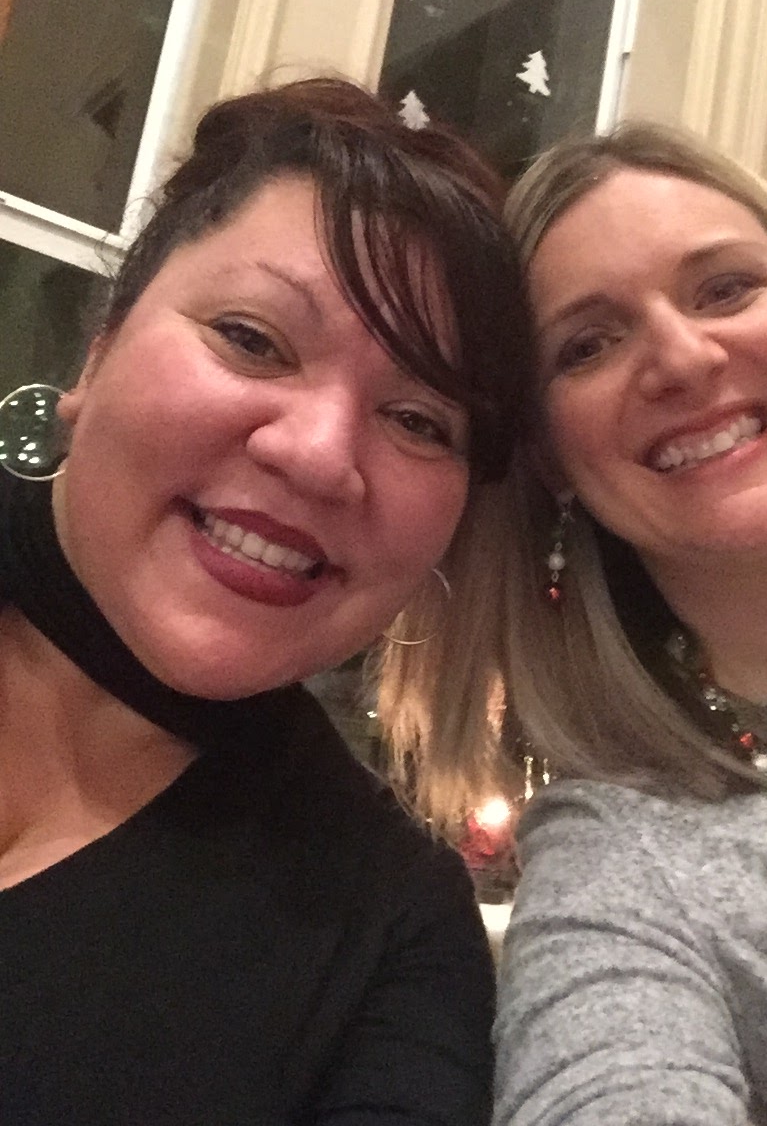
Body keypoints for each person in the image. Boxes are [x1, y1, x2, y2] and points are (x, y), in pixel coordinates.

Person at [378, 121, 767, 1125]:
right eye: (587, 344)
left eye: (725, 289)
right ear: (549, 458)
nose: (683, 357)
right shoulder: (616, 851)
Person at [0, 76, 533, 1124]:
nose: (321, 454)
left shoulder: (391, 938)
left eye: (419, 421)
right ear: (100, 349)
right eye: (252, 338)